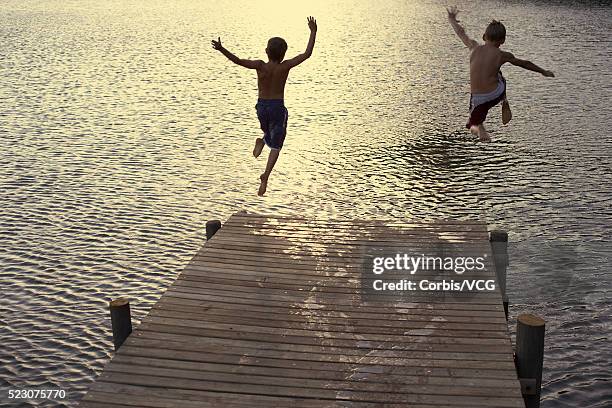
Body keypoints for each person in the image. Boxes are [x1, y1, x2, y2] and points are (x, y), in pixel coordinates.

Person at [212, 17, 318, 195]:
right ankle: (265, 176)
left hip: (261, 107)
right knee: (277, 145)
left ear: (266, 51)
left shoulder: (259, 66)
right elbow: (307, 54)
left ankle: (262, 141)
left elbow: (237, 60)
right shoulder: (285, 67)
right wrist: (313, 32)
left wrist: (222, 49)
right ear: (283, 54)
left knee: (268, 129)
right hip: (277, 106)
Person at [446, 6, 554, 141]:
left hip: (477, 98)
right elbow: (524, 63)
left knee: (474, 117)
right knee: (500, 76)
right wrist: (543, 71)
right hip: (494, 94)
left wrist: (451, 20)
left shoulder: (473, 46)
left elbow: (461, 33)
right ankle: (503, 100)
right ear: (503, 41)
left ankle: (480, 127)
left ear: (484, 36)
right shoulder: (502, 55)